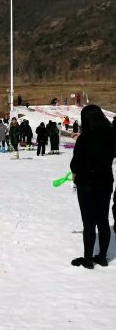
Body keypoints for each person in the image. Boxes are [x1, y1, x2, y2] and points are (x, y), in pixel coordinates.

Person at [70, 105, 115, 268]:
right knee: (103, 220)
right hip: (106, 182)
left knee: (89, 222)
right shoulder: (111, 135)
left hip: (87, 184)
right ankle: (102, 257)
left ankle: (88, 259)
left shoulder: (85, 138)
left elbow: (75, 164)